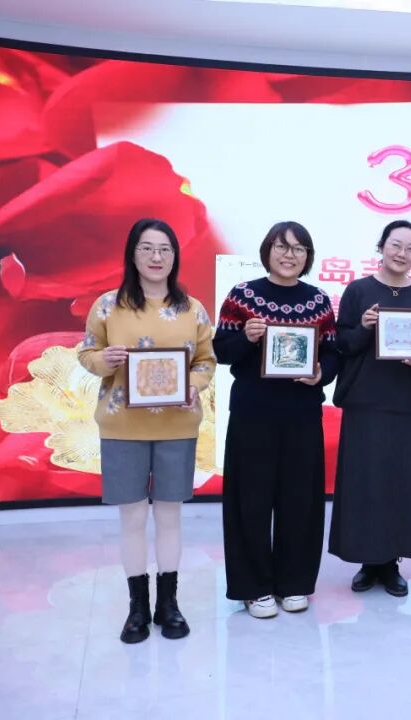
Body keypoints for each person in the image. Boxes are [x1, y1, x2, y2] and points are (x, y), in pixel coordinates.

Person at [78, 218, 215, 643]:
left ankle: (168, 604)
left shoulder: (193, 309)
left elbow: (206, 362)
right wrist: (104, 361)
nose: (156, 257)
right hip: (122, 425)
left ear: (175, 257)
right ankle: (137, 607)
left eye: (165, 249)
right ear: (132, 255)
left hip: (178, 425)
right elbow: (87, 352)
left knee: (170, 515)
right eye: (147, 248)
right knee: (133, 516)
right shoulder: (108, 305)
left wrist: (192, 386)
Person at [214, 221, 339, 619]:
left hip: (302, 413)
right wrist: (246, 337)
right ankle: (253, 588)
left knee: (301, 500)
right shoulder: (243, 295)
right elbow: (221, 351)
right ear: (267, 250)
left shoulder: (318, 300)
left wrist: (321, 373)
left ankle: (294, 583)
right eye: (282, 246)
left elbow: (332, 352)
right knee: (249, 500)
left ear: (308, 257)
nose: (290, 255)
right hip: (253, 412)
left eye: (299, 249)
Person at [328, 220, 411, 596]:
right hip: (366, 400)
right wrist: (363, 326)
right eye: (395, 244)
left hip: (407, 402)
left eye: (410, 248)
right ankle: (367, 560)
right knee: (365, 483)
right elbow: (342, 344)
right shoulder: (359, 290)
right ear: (381, 246)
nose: (402, 253)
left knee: (401, 484)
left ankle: (391, 563)